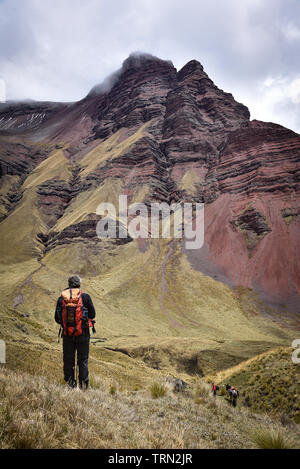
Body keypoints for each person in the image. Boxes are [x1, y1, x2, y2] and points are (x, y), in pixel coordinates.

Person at [55, 275, 96, 389]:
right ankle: (83, 386)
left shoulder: (61, 299)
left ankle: (70, 385)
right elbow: (92, 314)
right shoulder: (85, 297)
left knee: (68, 359)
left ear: (68, 284)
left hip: (67, 334)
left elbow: (57, 318)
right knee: (82, 360)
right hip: (83, 333)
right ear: (79, 284)